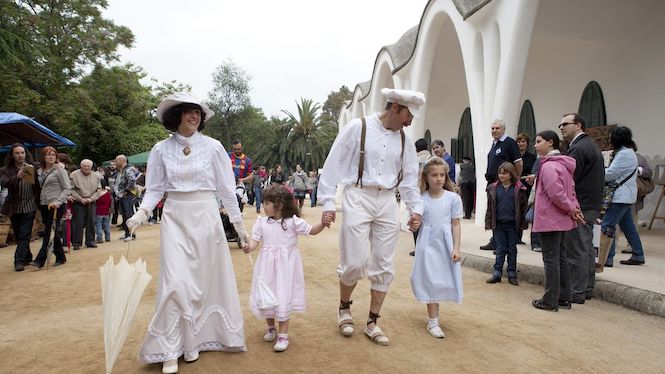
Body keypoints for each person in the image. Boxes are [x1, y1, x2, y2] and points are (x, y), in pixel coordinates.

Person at [126, 92, 250, 374]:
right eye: (188, 112)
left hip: (206, 216)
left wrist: (240, 226)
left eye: (198, 112)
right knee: (174, 282)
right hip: (175, 217)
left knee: (205, 282)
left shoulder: (215, 147)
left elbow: (227, 190)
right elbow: (155, 188)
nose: (194, 117)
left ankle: (195, 342)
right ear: (175, 116)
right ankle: (169, 349)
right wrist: (140, 214)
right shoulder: (160, 149)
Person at [318, 87, 425, 346]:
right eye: (409, 114)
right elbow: (334, 164)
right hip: (358, 195)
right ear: (395, 108)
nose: (411, 121)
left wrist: (416, 209)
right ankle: (344, 308)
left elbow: (410, 178)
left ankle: (372, 321)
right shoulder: (358, 127)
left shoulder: (405, 141)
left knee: (385, 264)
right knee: (354, 261)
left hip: (388, 200)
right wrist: (328, 201)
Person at [244, 185, 327, 352]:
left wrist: (323, 223)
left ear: (279, 205)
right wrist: (249, 247)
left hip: (285, 269)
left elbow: (311, 231)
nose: (264, 205)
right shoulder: (261, 222)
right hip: (266, 268)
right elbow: (255, 241)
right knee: (266, 295)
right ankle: (271, 328)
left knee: (282, 296)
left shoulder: (293, 222)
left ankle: (283, 335)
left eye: (267, 202)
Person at [409, 157, 463, 339]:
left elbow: (455, 224)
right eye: (434, 175)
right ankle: (433, 321)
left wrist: (456, 247)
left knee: (442, 279)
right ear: (426, 177)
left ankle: (435, 317)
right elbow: (415, 223)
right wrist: (414, 225)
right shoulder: (420, 200)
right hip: (427, 244)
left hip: (446, 244)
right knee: (430, 279)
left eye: (442, 175)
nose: (438, 178)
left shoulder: (453, 198)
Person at [531, 130, 584, 312]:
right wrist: (573, 208)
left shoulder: (548, 166)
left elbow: (556, 194)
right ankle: (563, 297)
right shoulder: (563, 165)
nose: (535, 145)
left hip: (550, 219)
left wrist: (571, 208)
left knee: (551, 259)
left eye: (539, 141)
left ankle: (550, 300)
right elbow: (570, 192)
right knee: (560, 257)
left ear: (550, 143)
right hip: (561, 218)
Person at [559, 113, 604, 303]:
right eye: (560, 125)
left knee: (576, 248)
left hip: (582, 204)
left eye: (565, 124)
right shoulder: (591, 146)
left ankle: (577, 290)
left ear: (578, 125)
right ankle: (586, 288)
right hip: (591, 203)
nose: (561, 127)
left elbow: (570, 180)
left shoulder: (578, 148)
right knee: (585, 247)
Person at [596, 126, 646, 271]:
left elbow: (610, 174)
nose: (610, 140)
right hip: (626, 196)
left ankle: (607, 258)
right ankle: (638, 254)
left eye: (611, 137)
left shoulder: (624, 154)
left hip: (620, 196)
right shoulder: (628, 153)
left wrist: (597, 171)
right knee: (628, 227)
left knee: (607, 226)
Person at [480, 120, 523, 251]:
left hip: (504, 184)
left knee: (504, 212)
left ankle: (502, 244)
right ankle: (495, 240)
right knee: (494, 212)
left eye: (497, 128)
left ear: (503, 129)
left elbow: (518, 162)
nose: (494, 131)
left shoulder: (509, 142)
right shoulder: (495, 144)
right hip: (493, 183)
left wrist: (516, 180)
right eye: (492, 128)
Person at [485, 162, 528, 286]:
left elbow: (523, 207)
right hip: (498, 224)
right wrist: (488, 222)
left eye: (505, 173)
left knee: (512, 249)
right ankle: (497, 272)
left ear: (511, 174)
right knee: (500, 249)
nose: (501, 175)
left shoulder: (518, 189)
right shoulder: (493, 188)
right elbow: (490, 208)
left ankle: (512, 273)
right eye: (500, 173)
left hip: (512, 225)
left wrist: (523, 223)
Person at [0, 143, 41, 272]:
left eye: (22, 152)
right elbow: (4, 183)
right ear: (12, 155)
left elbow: (45, 170)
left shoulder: (33, 166)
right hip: (15, 207)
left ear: (25, 153)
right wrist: (16, 178)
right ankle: (28, 257)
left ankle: (18, 261)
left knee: (24, 234)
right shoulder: (5, 170)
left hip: (30, 205)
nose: (20, 155)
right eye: (17, 153)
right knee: (19, 235)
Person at [30, 146, 71, 268]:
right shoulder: (40, 170)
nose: (51, 156)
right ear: (43, 157)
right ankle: (60, 256)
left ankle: (40, 260)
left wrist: (58, 202)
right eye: (48, 154)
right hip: (44, 204)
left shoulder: (60, 170)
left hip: (56, 205)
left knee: (49, 231)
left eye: (53, 154)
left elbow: (67, 189)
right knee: (52, 230)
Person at [69, 159, 102, 249]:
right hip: (79, 201)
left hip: (91, 201)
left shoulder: (96, 176)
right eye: (85, 166)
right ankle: (76, 242)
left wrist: (91, 199)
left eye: (89, 166)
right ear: (81, 166)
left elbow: (99, 190)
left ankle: (90, 241)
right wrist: (80, 199)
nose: (87, 168)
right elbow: (71, 189)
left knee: (91, 221)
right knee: (78, 223)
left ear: (91, 167)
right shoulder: (74, 175)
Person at [410, 138, 431, 256]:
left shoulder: (413, 160)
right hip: (429, 193)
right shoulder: (432, 160)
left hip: (416, 194)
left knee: (416, 221)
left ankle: (418, 247)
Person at [516, 133, 536, 245]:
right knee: (517, 210)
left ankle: (523, 235)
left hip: (528, 186)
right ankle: (516, 236)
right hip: (517, 186)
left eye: (523, 141)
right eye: (519, 141)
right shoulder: (514, 156)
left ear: (527, 143)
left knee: (525, 211)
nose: (521, 144)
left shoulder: (532, 157)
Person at [113, 154, 137, 241]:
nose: (115, 162)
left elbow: (132, 180)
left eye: (116, 161)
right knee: (124, 215)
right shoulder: (121, 170)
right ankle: (127, 233)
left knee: (128, 215)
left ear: (121, 161)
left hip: (127, 196)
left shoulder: (128, 169)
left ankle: (131, 234)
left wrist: (126, 191)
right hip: (122, 196)